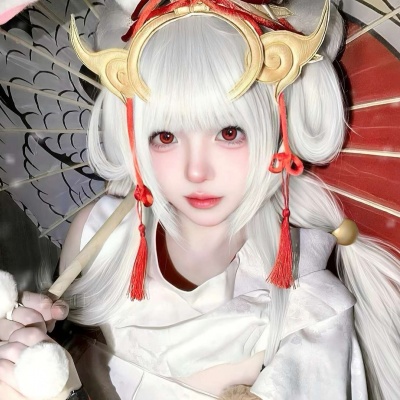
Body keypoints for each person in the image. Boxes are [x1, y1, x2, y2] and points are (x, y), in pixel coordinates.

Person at [0, 0, 399, 399]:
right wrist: (35, 356)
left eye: (228, 133)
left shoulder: (309, 309)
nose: (196, 171)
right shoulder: (98, 237)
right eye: (166, 136)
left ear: (276, 124)